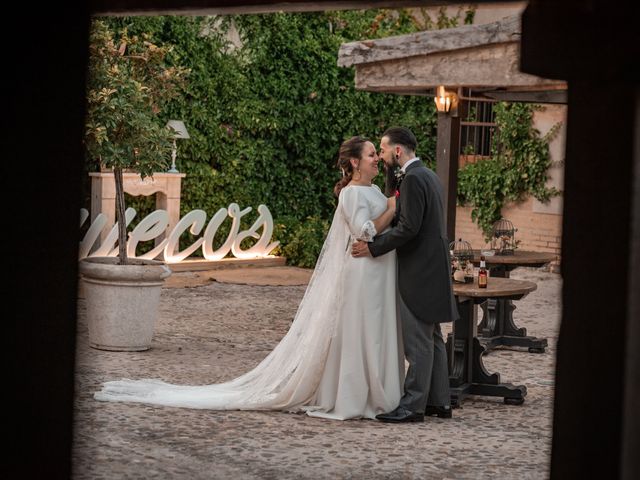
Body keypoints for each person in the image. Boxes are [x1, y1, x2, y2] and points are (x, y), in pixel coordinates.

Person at [94, 135, 404, 421]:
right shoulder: (351, 194)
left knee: (372, 331)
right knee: (359, 331)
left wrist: (388, 206)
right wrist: (391, 209)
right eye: (371, 154)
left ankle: (373, 389)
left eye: (377, 154)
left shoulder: (374, 190)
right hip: (361, 274)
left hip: (376, 274)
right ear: (354, 162)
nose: (377, 158)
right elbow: (363, 231)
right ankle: (353, 395)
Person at [352, 126, 459, 423]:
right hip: (433, 268)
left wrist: (374, 247)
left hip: (418, 272)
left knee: (418, 342)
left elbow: (409, 228)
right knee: (433, 337)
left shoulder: (412, 179)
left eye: (384, 151)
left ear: (397, 151)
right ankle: (440, 402)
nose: (382, 157)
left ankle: (413, 406)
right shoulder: (430, 176)